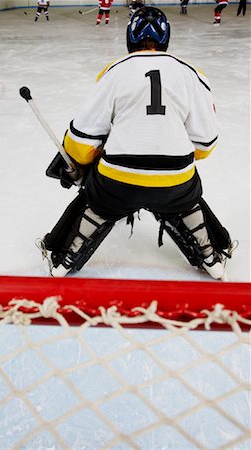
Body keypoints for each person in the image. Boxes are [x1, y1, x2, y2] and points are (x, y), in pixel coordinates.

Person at [40, 6, 234, 279]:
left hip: (117, 184)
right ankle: (210, 253)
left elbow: (82, 140)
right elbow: (205, 144)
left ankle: (64, 255)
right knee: (184, 193)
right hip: (175, 184)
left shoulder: (115, 70)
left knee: (96, 195)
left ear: (130, 38)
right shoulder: (192, 74)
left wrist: (79, 166)